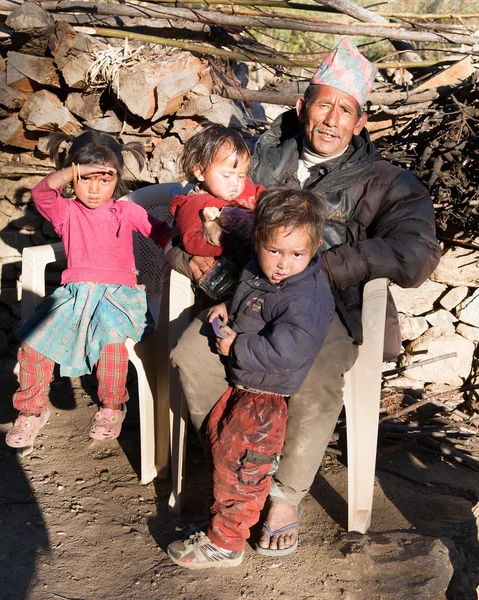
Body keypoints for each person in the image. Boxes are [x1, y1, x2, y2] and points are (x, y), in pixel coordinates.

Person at [168, 36, 441, 556]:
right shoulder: (257, 158)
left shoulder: (387, 183)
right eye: (324, 105)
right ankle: (241, 464)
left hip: (326, 306)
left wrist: (324, 268)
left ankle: (285, 496)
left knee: (315, 376)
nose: (332, 119)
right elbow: (185, 210)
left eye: (346, 110)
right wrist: (187, 260)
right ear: (302, 107)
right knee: (191, 355)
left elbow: (416, 251)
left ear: (360, 122)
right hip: (247, 293)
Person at [167, 187, 334, 569]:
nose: (282, 263)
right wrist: (229, 305)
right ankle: (225, 519)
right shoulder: (259, 273)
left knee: (242, 463)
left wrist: (237, 347)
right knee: (228, 454)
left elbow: (287, 350)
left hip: (265, 399)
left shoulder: (304, 298)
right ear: (258, 239)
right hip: (247, 387)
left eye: (296, 254)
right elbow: (252, 294)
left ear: (315, 247)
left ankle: (226, 543)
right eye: (274, 250)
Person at [6, 130, 172, 450]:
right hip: (75, 296)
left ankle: (111, 407)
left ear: (117, 177)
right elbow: (41, 193)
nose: (94, 189)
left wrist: (175, 254)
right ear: (73, 178)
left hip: (117, 298)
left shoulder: (126, 212)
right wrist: (72, 170)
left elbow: (162, 233)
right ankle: (31, 410)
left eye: (104, 179)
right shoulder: (66, 212)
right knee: (33, 342)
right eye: (86, 179)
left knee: (110, 343)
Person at [171, 123, 265, 259]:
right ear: (200, 171)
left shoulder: (247, 189)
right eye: (227, 175)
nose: (236, 182)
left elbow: (265, 198)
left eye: (242, 175)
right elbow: (192, 242)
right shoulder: (193, 204)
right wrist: (232, 240)